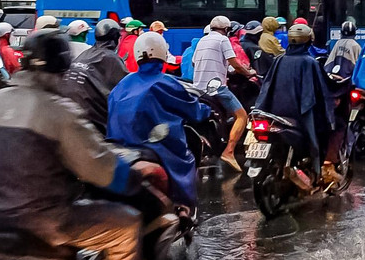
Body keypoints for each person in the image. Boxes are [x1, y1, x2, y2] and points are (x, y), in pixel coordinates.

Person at [0, 29, 149, 260]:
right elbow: (100, 168)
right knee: (127, 226)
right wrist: (132, 179)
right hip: (44, 220)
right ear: (61, 68)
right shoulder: (58, 110)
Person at [106, 31, 213, 209]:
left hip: (118, 145)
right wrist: (206, 111)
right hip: (151, 145)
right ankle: (184, 207)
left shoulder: (122, 84)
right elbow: (193, 110)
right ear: (163, 53)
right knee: (185, 161)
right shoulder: (165, 83)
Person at [255, 23, 337, 187]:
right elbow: (323, 89)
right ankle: (317, 171)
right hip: (299, 113)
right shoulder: (310, 62)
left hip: (276, 112)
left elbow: (267, 85)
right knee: (321, 130)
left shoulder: (279, 60)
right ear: (308, 41)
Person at [192, 15, 254, 170]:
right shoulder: (223, 40)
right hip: (217, 88)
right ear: (226, 30)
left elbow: (194, 62)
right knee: (242, 116)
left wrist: (226, 69)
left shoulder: (202, 40)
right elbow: (236, 64)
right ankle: (229, 151)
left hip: (199, 89)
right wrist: (249, 73)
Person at [61, 19, 130, 135]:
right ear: (115, 38)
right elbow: (126, 92)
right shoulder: (111, 58)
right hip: (93, 122)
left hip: (69, 111)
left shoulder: (86, 54)